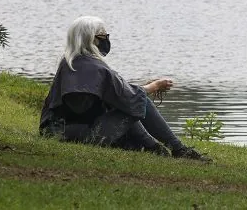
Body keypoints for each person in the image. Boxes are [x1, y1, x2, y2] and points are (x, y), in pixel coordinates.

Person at [39, 16, 210, 161]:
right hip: (75, 135)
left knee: (134, 100)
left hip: (55, 132)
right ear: (92, 39)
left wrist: (139, 90)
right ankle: (174, 148)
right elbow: (128, 96)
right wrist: (155, 86)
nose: (106, 39)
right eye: (103, 35)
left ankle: (156, 147)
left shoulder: (70, 62)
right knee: (137, 102)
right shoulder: (93, 66)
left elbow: (114, 93)